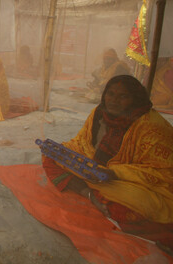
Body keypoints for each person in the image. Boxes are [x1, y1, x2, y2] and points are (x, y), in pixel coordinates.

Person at [42, 75, 173, 250]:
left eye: (123, 96)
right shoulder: (99, 113)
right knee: (50, 156)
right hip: (96, 171)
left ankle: (95, 196)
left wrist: (115, 173)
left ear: (135, 99)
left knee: (130, 208)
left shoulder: (152, 127)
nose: (113, 101)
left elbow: (162, 173)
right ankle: (87, 193)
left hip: (133, 183)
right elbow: (82, 143)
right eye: (110, 94)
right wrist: (62, 151)